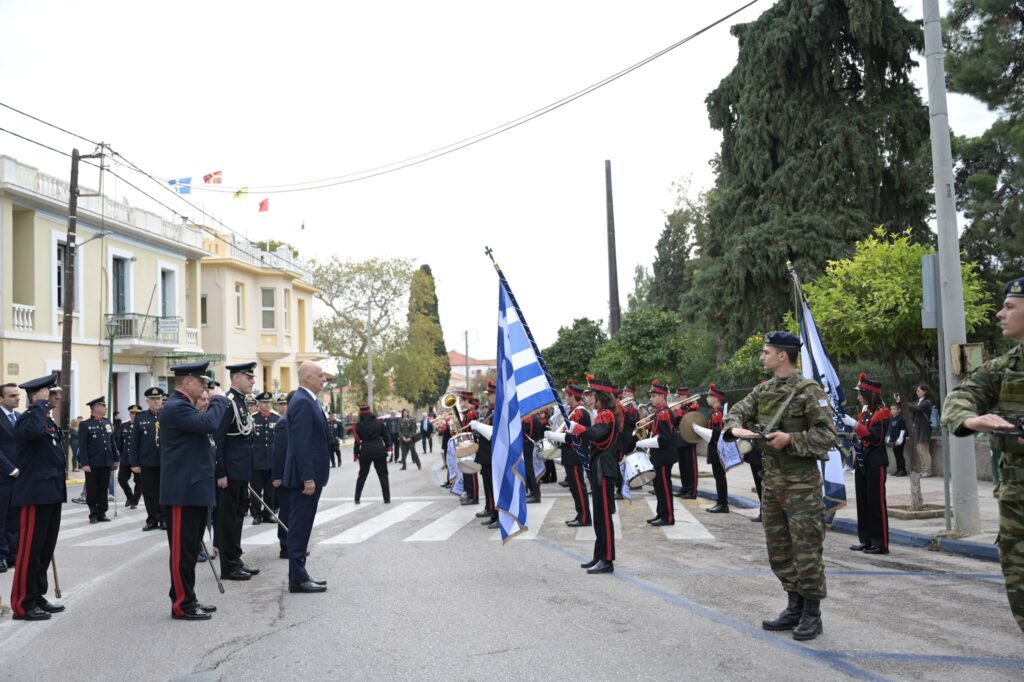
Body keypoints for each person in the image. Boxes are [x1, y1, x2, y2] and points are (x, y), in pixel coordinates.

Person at [722, 331, 836, 641]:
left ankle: (813, 613)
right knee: (779, 550)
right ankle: (793, 605)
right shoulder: (763, 390)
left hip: (801, 485)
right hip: (771, 483)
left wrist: (791, 440)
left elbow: (828, 436)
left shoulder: (808, 392)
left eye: (766, 352)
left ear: (782, 355)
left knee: (807, 550)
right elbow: (735, 412)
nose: (762, 357)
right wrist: (736, 428)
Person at [941, 276, 1024, 633]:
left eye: (1009, 306)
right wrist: (971, 419)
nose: (999, 314)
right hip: (1015, 502)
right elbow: (959, 398)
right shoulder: (1004, 368)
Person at [158, 361, 230, 621]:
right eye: (202, 382)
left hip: (194, 489)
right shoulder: (176, 407)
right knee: (182, 551)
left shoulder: (185, 407)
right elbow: (210, 424)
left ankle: (187, 597)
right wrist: (220, 401)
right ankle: (181, 604)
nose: (205, 387)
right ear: (187, 382)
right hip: (182, 492)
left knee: (189, 550)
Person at [10, 374, 66, 620]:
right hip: (34, 494)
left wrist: (43, 408)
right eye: (52, 393)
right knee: (29, 552)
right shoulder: (27, 420)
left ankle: (36, 594)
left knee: (44, 550)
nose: (57, 397)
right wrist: (39, 405)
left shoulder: (48, 422)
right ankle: (22, 603)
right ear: (39, 395)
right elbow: (32, 433)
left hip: (51, 493)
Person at [283, 361, 330, 594]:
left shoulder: (308, 400)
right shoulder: (302, 402)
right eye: (320, 375)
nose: (324, 379)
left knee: (303, 527)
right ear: (308, 378)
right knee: (299, 528)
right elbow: (301, 444)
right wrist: (308, 478)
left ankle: (299, 575)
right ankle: (298, 579)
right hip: (304, 479)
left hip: (309, 476)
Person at [566, 377, 622, 574]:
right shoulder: (602, 414)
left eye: (592, 394)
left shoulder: (606, 415)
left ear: (601, 396)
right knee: (598, 516)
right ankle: (599, 555)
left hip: (605, 469)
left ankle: (607, 560)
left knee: (604, 517)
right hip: (600, 467)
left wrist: (577, 428)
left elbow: (597, 435)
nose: (588, 398)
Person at [213, 362, 259, 581]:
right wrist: (220, 472)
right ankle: (228, 566)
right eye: (248, 377)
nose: (253, 381)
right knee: (227, 519)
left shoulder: (241, 402)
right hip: (229, 474)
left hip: (241, 472)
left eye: (253, 377)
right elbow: (217, 441)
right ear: (236, 378)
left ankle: (236, 559)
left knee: (238, 516)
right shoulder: (227, 403)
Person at [842, 373, 891, 555]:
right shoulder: (865, 413)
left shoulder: (882, 413)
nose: (857, 396)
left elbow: (875, 438)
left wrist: (855, 425)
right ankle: (867, 540)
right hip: (862, 461)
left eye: (860, 393)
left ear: (868, 394)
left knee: (876, 503)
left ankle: (881, 543)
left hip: (876, 463)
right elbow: (860, 435)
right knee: (863, 502)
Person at [549, 380, 590, 526]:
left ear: (572, 396)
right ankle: (580, 515)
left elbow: (573, 437)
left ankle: (585, 517)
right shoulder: (574, 412)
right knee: (574, 487)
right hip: (570, 455)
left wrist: (554, 436)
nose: (565, 397)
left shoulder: (580, 413)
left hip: (575, 455)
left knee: (578, 487)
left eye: (567, 395)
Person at [637, 380, 676, 526]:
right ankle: (661, 513)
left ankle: (668, 517)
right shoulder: (659, 412)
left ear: (662, 396)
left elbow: (664, 438)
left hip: (664, 456)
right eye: (651, 396)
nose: (651, 399)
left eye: (654, 396)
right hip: (658, 455)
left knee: (664, 487)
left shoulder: (664, 413)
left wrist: (643, 443)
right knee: (659, 486)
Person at [130, 387, 166, 531]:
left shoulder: (168, 415)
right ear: (147, 401)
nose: (156, 401)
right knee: (149, 491)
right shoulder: (141, 417)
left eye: (158, 398)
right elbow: (134, 443)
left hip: (165, 461)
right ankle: (152, 519)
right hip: (147, 461)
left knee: (164, 491)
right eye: (153, 399)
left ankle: (164, 519)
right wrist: (134, 463)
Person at [78, 396, 117, 523]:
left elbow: (112, 442)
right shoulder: (85, 425)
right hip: (92, 463)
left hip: (106, 462)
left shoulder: (107, 422)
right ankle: (93, 513)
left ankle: (102, 512)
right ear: (95, 408)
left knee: (103, 489)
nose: (105, 408)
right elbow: (82, 446)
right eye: (103, 406)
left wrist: (116, 458)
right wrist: (84, 463)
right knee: (92, 489)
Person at [0, 383, 22, 574]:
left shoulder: (20, 418)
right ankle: (1, 556)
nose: (17, 398)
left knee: (15, 518)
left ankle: (13, 554)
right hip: (3, 476)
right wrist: (11, 469)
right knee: (1, 518)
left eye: (18, 395)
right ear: (1, 398)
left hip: (21, 476)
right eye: (12, 395)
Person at [271, 391, 295, 559]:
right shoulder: (284, 423)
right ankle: (285, 546)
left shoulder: (293, 420)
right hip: (285, 477)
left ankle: (293, 545)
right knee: (286, 512)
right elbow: (279, 453)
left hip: (294, 476)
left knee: (294, 513)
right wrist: (277, 476)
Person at [249, 391, 279, 525]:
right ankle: (256, 514)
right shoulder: (252, 418)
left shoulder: (276, 418)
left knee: (270, 489)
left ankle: (268, 513)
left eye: (268, 402)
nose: (267, 405)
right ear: (259, 404)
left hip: (271, 460)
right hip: (256, 460)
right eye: (264, 402)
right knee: (256, 489)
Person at [354, 403, 391, 504]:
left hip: (366, 451)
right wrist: (388, 447)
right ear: (370, 412)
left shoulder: (358, 426)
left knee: (362, 475)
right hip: (379, 450)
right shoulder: (379, 423)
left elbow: (357, 442)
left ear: (361, 413)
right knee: (383, 475)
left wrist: (356, 454)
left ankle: (357, 498)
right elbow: (386, 436)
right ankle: (387, 498)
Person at [705, 384, 729, 514]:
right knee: (718, 476)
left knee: (719, 477)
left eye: (710, 395)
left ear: (716, 398)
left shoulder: (717, 413)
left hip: (717, 447)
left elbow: (718, 432)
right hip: (715, 447)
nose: (707, 398)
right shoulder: (715, 412)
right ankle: (720, 502)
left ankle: (723, 504)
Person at [674, 388, 700, 499]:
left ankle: (692, 490)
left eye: (679, 396)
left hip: (689, 439)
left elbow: (690, 421)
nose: (677, 398)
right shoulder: (681, 407)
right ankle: (684, 487)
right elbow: (675, 423)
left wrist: (680, 413)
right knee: (683, 466)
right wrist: (676, 413)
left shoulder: (693, 407)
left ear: (685, 397)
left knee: (691, 466)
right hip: (680, 438)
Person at [906, 383, 934, 477]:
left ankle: (928, 470)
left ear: (925, 391)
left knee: (924, 449)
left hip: (924, 428)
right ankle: (923, 469)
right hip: (918, 427)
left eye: (919, 390)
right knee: (919, 450)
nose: (917, 392)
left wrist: (905, 402)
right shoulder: (918, 401)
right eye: (917, 390)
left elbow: (916, 408)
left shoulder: (926, 402)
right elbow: (913, 408)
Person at [116, 405, 142, 509]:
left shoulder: (143, 425)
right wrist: (118, 456)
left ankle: (134, 501)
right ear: (129, 414)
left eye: (137, 413)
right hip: (126, 458)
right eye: (132, 413)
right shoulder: (124, 426)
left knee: (139, 482)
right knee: (121, 479)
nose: (134, 415)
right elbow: (120, 442)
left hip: (138, 459)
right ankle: (129, 496)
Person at [887, 403, 908, 476]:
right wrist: (889, 437)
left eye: (894, 409)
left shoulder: (901, 419)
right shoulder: (892, 419)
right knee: (896, 455)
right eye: (891, 409)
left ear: (899, 410)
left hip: (899, 440)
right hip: (893, 440)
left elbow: (903, 430)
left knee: (900, 455)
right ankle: (898, 469)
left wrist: (900, 439)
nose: (892, 410)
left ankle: (903, 470)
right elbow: (890, 430)